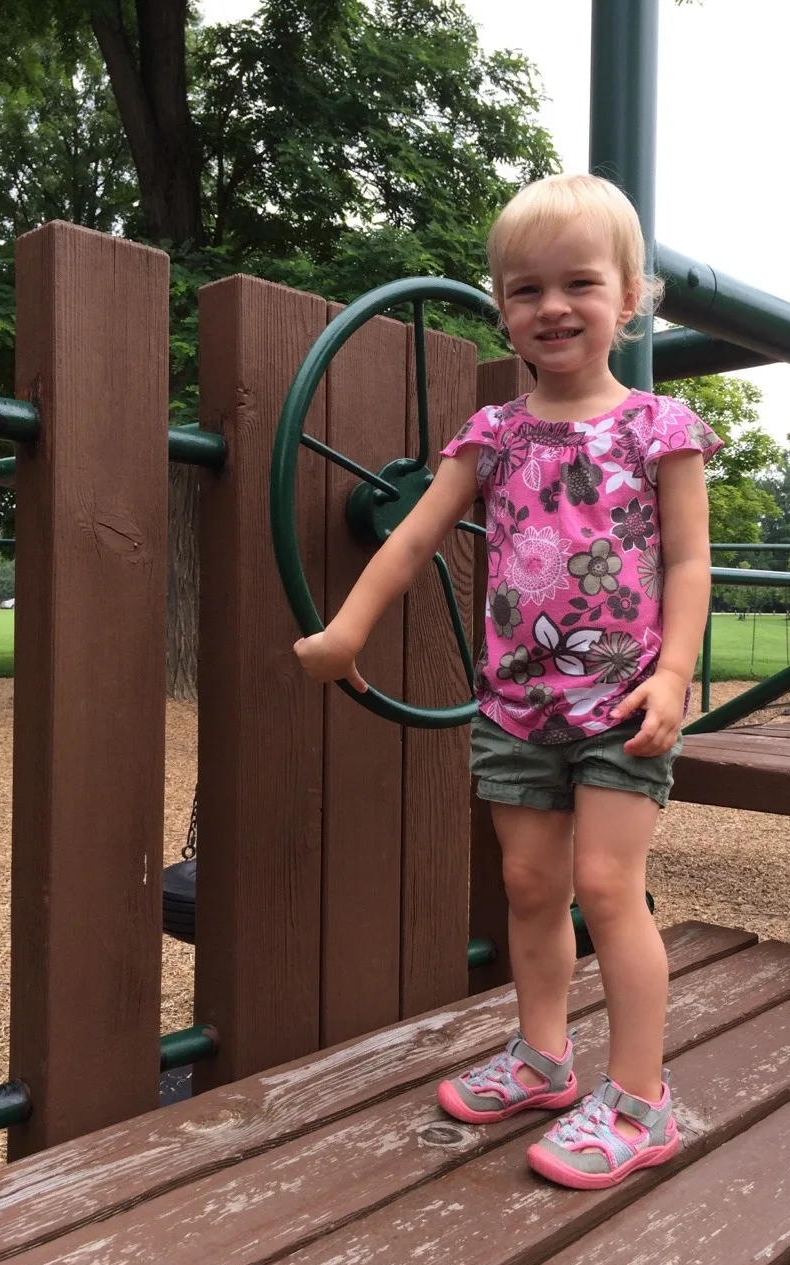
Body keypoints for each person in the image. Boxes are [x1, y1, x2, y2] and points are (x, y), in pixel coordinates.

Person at [294, 173, 721, 1190]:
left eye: (580, 281)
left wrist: (673, 677)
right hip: (518, 704)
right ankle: (541, 1056)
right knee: (530, 887)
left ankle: (640, 1099)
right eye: (525, 289)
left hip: (621, 699)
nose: (553, 306)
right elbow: (412, 540)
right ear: (503, 309)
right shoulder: (492, 436)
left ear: (630, 298)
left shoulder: (658, 429)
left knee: (609, 887)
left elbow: (691, 564)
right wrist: (346, 630)